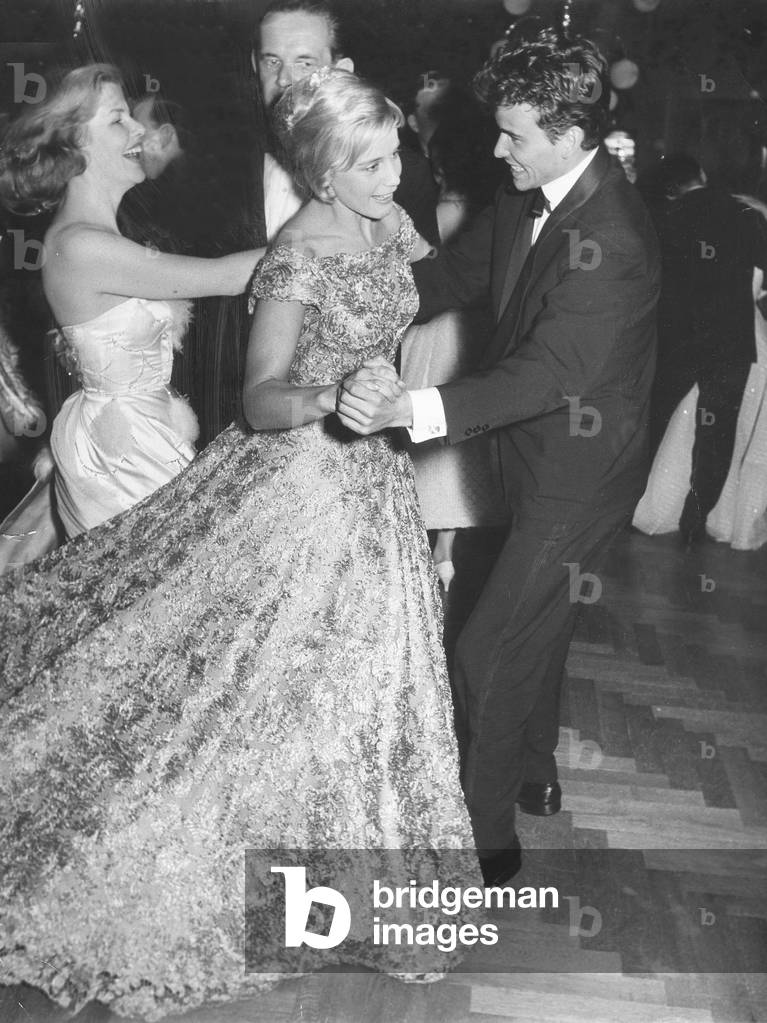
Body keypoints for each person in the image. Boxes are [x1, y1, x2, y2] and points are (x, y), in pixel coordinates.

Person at [0, 68, 472, 1019]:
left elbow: (417, 275)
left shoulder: (372, 215)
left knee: (306, 669)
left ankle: (320, 877)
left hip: (337, 474)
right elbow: (255, 336)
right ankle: (132, 833)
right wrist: (313, 272)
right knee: (164, 647)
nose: (139, 128)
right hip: (138, 441)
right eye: (118, 119)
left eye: (393, 158)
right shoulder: (91, 243)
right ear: (329, 173)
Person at [337, 26, 661, 883]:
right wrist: (351, 303)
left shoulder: (615, 238)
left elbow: (548, 372)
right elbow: (452, 276)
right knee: (533, 628)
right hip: (533, 458)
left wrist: (412, 406)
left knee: (484, 649)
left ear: (569, 132)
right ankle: (534, 772)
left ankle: (483, 847)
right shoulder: (528, 190)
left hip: (580, 477)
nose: (495, 147)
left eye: (513, 133)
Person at [0, 65, 262, 550]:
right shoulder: (80, 247)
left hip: (142, 432)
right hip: (120, 451)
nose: (140, 129)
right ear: (75, 143)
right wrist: (321, 237)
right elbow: (223, 276)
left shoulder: (104, 237)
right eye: (119, 119)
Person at [400, 81, 506, 593]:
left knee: (426, 443)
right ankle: (450, 552)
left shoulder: (436, 217)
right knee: (461, 450)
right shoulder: (494, 220)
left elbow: (413, 291)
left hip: (431, 337)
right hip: (473, 341)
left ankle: (432, 563)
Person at [632, 154, 767, 546]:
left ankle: (646, 505)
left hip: (681, 339)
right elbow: (761, 274)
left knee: (662, 421)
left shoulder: (664, 219)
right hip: (733, 341)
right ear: (703, 175)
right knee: (718, 435)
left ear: (670, 190)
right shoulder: (742, 212)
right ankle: (698, 517)